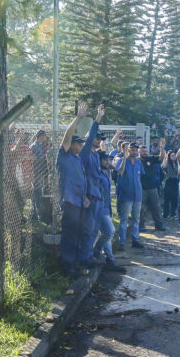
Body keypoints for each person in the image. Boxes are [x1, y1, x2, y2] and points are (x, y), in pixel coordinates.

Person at [55, 103, 89, 277]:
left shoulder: (77, 159)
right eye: (78, 143)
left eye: (81, 144)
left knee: (77, 234)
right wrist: (79, 118)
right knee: (69, 235)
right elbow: (66, 137)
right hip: (69, 202)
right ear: (72, 145)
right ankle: (67, 267)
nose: (80, 146)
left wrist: (85, 197)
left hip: (79, 202)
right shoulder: (64, 155)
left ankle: (74, 263)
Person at [79, 105, 107, 267]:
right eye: (96, 138)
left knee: (95, 230)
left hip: (98, 197)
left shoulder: (96, 156)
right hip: (89, 196)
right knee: (88, 230)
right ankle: (84, 258)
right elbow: (89, 138)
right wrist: (98, 118)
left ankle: (89, 256)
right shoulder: (85, 153)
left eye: (99, 139)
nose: (98, 141)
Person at [94, 151, 126, 272]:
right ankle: (95, 252)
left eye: (108, 160)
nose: (107, 162)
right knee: (110, 231)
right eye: (105, 160)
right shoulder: (97, 173)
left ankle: (110, 261)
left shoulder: (106, 172)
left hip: (107, 208)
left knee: (107, 235)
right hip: (99, 208)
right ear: (99, 161)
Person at [115, 142, 145, 250]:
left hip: (137, 195)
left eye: (136, 150)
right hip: (126, 194)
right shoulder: (121, 160)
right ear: (128, 150)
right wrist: (124, 159)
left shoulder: (138, 163)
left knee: (136, 219)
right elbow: (120, 172)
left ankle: (135, 240)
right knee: (124, 219)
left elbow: (140, 176)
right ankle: (122, 242)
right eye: (132, 150)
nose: (134, 152)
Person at [139, 143, 166, 231]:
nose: (145, 152)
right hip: (142, 188)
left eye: (146, 151)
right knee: (141, 208)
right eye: (143, 151)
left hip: (153, 188)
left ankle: (159, 225)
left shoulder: (150, 158)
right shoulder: (137, 161)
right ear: (139, 152)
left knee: (156, 207)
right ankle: (141, 226)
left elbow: (160, 157)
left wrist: (162, 148)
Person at [30, 130, 53, 224]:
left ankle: (36, 214)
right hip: (36, 172)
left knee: (39, 193)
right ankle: (37, 214)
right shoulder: (34, 146)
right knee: (37, 193)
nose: (45, 138)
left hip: (41, 172)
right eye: (44, 136)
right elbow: (32, 158)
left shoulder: (40, 145)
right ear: (40, 136)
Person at [161, 150, 179, 219]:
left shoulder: (176, 163)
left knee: (174, 198)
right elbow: (163, 166)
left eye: (174, 155)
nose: (173, 157)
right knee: (167, 199)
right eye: (172, 156)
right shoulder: (167, 163)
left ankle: (173, 213)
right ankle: (165, 213)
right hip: (168, 181)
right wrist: (165, 158)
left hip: (175, 181)